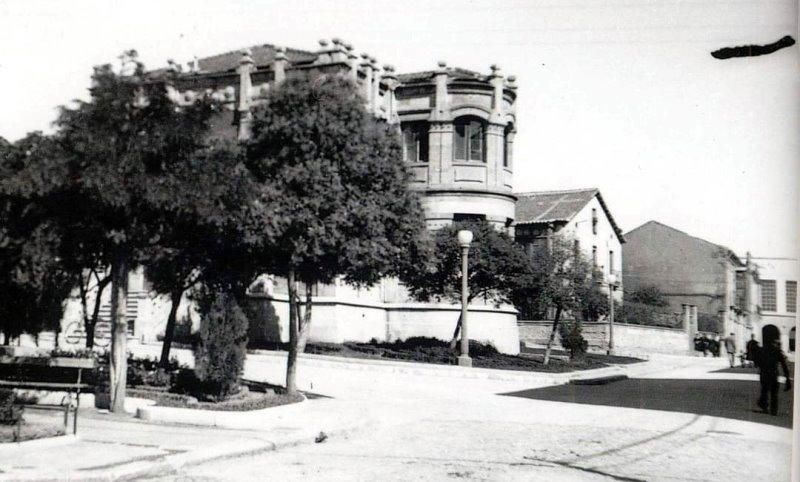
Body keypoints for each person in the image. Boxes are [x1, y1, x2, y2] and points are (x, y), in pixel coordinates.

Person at [757, 338, 792, 415]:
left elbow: (758, 362)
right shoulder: (778, 352)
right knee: (774, 392)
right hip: (773, 373)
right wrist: (787, 379)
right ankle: (774, 410)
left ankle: (764, 406)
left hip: (764, 373)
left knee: (764, 390)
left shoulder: (762, 350)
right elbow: (784, 366)